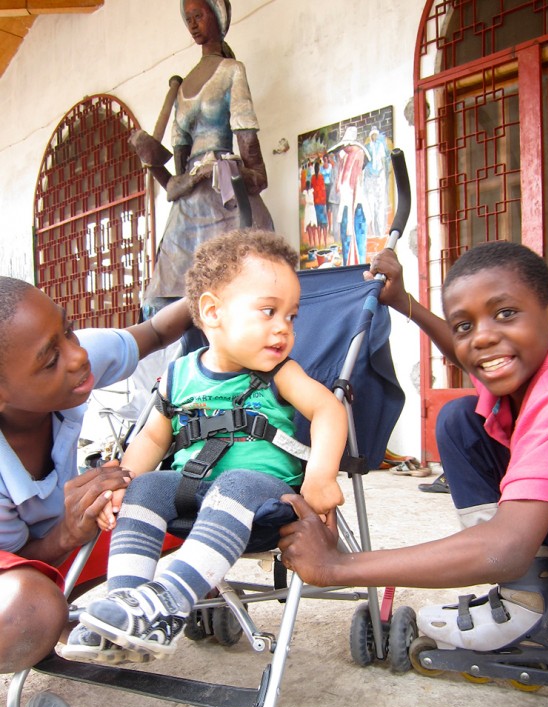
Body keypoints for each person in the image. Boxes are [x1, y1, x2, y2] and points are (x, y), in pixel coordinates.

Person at [278, 241, 548, 655]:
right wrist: (402, 301)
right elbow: (473, 350)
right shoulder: (524, 369)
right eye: (465, 325)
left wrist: (339, 567)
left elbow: (505, 547)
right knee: (461, 420)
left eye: (505, 313)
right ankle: (534, 600)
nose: (482, 338)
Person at [63, 229, 347, 663]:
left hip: (263, 495)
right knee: (144, 488)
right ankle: (124, 611)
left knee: (233, 481)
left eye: (291, 316)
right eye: (268, 311)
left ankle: (168, 600)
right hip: (196, 493)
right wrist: (121, 484)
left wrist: (322, 475)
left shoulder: (282, 374)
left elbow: (328, 411)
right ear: (213, 312)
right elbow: (153, 438)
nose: (283, 328)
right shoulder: (178, 375)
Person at [0, 278, 193, 674]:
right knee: (31, 609)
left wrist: (216, 291)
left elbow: (156, 330)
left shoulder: (71, 358)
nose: (76, 356)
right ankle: (48, 621)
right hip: (15, 568)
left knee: (173, 508)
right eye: (50, 360)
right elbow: (16, 559)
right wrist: (67, 534)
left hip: (42, 549)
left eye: (68, 330)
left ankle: (61, 615)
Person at [130, 0, 273, 314]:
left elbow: (250, 150)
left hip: (224, 190)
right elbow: (175, 176)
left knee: (241, 290)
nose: (193, 24)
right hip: (190, 198)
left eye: (199, 15)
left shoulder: (232, 70)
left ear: (218, 17)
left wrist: (248, 175)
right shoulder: (180, 88)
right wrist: (153, 163)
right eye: (188, 18)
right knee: (161, 297)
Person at [328, 126, 370, 266]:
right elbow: (340, 184)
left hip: (357, 206)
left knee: (358, 239)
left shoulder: (358, 155)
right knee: (346, 239)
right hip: (346, 205)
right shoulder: (343, 157)